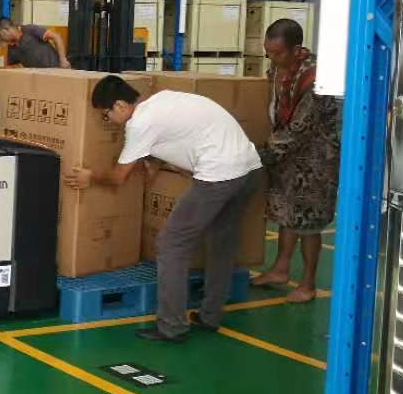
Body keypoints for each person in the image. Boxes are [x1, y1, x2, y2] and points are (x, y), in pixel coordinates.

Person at [65, 75, 263, 342]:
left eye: (106, 114)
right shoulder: (161, 100)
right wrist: (155, 163)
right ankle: (210, 316)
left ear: (120, 105)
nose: (107, 120)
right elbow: (176, 135)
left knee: (171, 244)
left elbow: (118, 177)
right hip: (249, 169)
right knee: (221, 242)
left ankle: (172, 325)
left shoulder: (139, 123)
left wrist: (90, 177)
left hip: (218, 175)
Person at [249, 19, 340, 304]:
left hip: (315, 161)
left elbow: (299, 129)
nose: (272, 59)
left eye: (278, 53)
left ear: (297, 50)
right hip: (287, 157)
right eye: (268, 53)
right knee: (287, 213)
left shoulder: (316, 81)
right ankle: (280, 268)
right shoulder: (278, 69)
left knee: (308, 222)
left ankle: (308, 283)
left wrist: (256, 156)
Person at [0, 17, 69, 68]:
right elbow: (7, 67)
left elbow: (56, 37)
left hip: (57, 70)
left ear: (6, 30)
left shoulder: (30, 30)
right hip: (39, 79)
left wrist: (63, 59)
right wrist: (2, 50)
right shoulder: (11, 48)